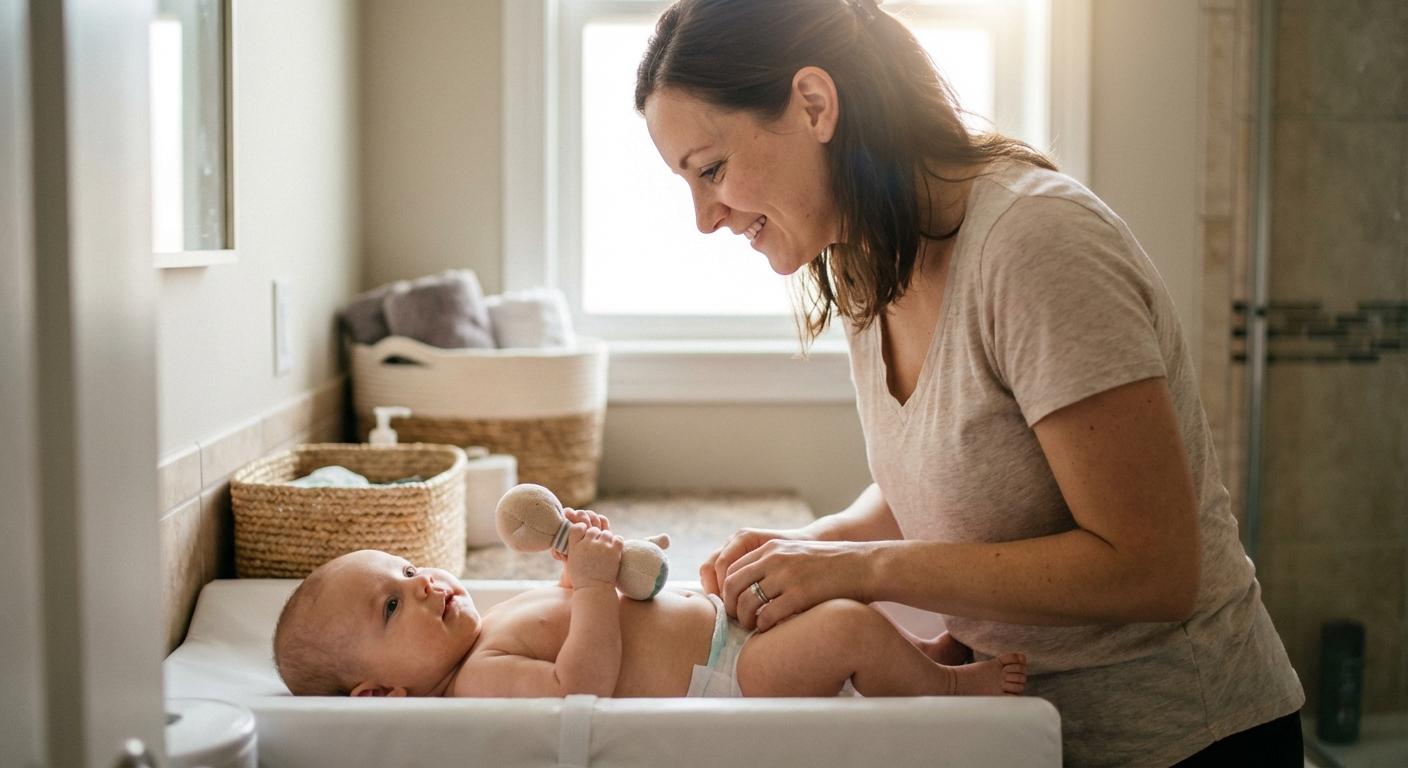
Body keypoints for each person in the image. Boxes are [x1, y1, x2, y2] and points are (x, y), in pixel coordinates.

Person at [634, 1, 1304, 766]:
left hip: (1186, 741)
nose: (703, 218)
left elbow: (1152, 567)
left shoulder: (1033, 244)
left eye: (710, 170)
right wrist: (811, 548)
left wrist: (860, 569)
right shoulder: (864, 256)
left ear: (815, 104)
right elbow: (955, 475)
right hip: (1024, 731)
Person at [272, 511, 1028, 700]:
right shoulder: (477, 680)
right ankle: (950, 688)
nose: (424, 584)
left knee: (816, 603)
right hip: (728, 675)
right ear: (379, 692)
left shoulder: (487, 629)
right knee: (846, 626)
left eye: (408, 570)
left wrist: (580, 569)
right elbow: (581, 686)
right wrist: (595, 593)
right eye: (392, 608)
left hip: (719, 627)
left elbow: (578, 620)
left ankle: (911, 663)